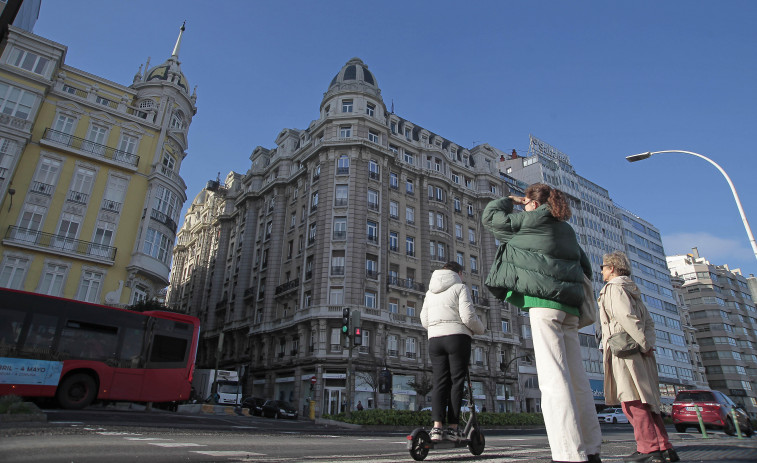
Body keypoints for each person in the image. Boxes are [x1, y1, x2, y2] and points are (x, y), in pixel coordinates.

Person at [482, 184, 602, 463]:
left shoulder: (529, 220)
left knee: (553, 381)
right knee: (578, 380)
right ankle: (592, 448)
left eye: (526, 204)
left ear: (533, 204)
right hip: (570, 310)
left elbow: (490, 218)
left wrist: (508, 200)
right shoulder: (567, 230)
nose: (524, 208)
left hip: (544, 305)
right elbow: (586, 267)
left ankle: (569, 454)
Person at [598, 251, 677, 463]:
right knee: (648, 400)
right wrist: (647, 345)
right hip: (641, 351)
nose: (602, 271)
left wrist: (641, 344)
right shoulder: (633, 290)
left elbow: (626, 317)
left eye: (603, 267)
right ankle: (664, 447)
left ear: (612, 268)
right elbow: (649, 323)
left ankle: (648, 448)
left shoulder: (613, 288)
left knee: (631, 401)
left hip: (625, 351)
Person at [421, 261, 485, 442]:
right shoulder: (460, 287)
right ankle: (454, 428)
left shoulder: (430, 292)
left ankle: (437, 428)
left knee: (440, 382)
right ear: (459, 273)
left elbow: (423, 320)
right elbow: (468, 316)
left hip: (434, 340)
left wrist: (436, 327)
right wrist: (480, 329)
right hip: (457, 338)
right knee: (457, 382)